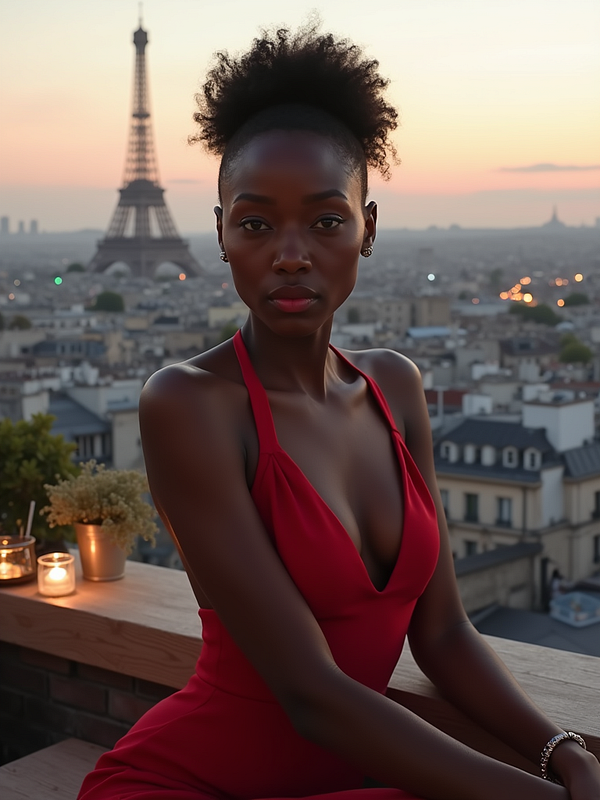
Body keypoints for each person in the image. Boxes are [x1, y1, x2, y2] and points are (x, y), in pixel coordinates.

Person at [77, 24, 600, 800]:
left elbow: (445, 632)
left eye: (326, 221)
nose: (291, 252)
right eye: (256, 224)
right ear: (220, 233)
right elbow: (310, 693)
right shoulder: (187, 403)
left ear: (369, 227)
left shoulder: (398, 384)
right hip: (189, 781)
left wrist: (563, 751)